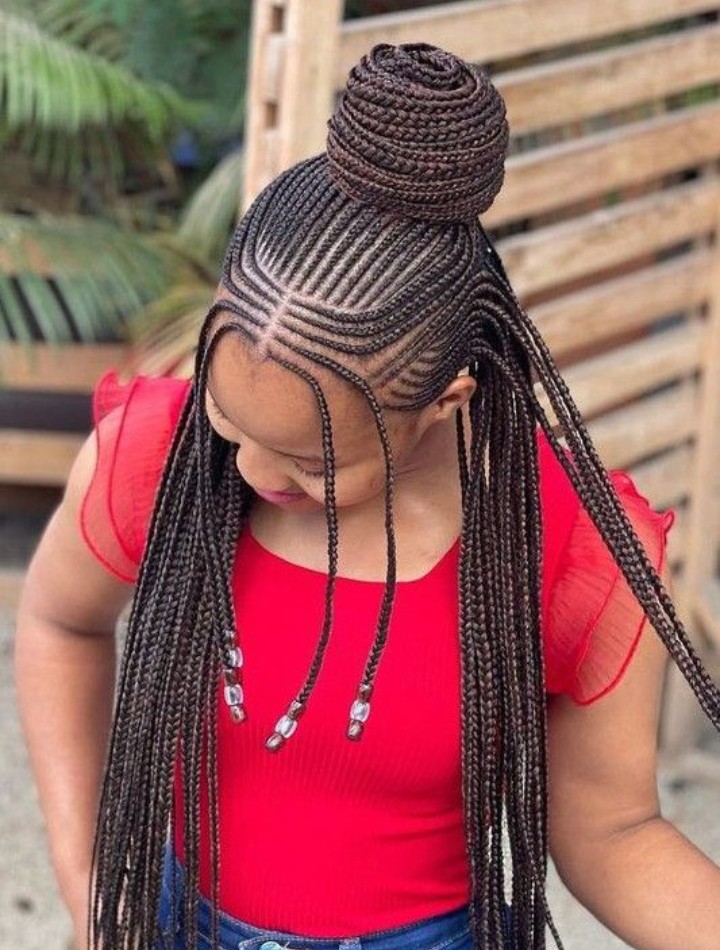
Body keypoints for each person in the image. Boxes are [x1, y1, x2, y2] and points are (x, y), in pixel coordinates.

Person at [14, 41, 720, 950]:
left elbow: (615, 833)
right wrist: (91, 891)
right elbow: (59, 622)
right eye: (229, 419)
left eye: (309, 462)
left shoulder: (570, 548)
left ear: (445, 399)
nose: (249, 472)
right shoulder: (162, 455)